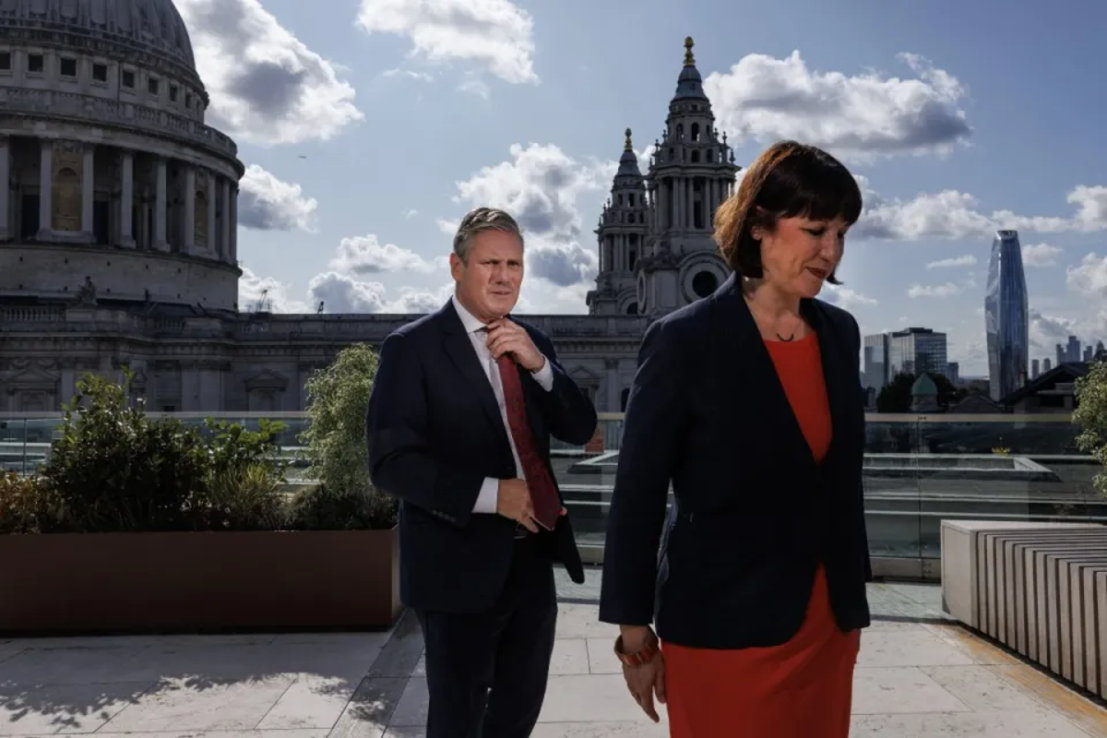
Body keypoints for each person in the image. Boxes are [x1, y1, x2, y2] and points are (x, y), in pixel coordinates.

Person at [598, 140, 873, 738]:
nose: (832, 252)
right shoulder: (684, 340)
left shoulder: (840, 333)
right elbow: (638, 496)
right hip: (721, 627)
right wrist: (634, 637)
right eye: (816, 229)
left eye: (842, 233)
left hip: (827, 626)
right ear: (757, 228)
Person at [366, 206, 598, 738]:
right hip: (455, 565)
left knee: (519, 711)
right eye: (490, 262)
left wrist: (540, 366)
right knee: (459, 717)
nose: (503, 276)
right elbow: (390, 464)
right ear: (456, 265)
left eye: (514, 263)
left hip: (532, 558)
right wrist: (495, 495)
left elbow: (580, 425)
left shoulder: (533, 340)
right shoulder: (412, 348)